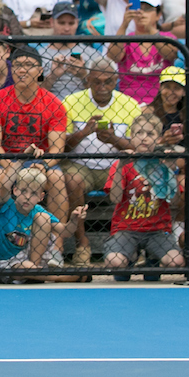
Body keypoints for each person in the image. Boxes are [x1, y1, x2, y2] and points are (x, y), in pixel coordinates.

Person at [62, 57, 142, 265]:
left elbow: (139, 147)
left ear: (116, 80)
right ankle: (82, 244)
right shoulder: (71, 101)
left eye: (108, 81)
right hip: (81, 164)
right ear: (87, 80)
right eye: (97, 81)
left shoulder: (130, 105)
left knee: (138, 179)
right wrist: (83, 133)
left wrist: (114, 139)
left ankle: (134, 243)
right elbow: (62, 146)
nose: (102, 87)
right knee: (71, 180)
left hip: (117, 166)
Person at [0, 47, 70, 231]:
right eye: (17, 65)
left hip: (38, 161)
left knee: (56, 177)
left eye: (29, 65)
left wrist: (43, 165)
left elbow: (57, 149)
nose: (22, 70)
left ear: (40, 71)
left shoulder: (54, 104)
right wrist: (11, 166)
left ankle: (56, 244)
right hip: (7, 159)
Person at [103, 113, 184, 273]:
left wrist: (169, 170)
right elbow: (115, 198)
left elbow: (175, 202)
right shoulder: (122, 164)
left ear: (159, 139)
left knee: (176, 262)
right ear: (131, 137)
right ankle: (131, 256)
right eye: (138, 133)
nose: (143, 138)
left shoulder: (162, 163)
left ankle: (152, 257)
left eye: (150, 134)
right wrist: (120, 168)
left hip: (157, 230)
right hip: (126, 229)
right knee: (115, 263)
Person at [106, 0, 177, 105]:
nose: (141, 13)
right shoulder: (126, 38)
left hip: (160, 102)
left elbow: (170, 54)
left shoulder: (167, 37)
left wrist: (150, 29)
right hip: (128, 102)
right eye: (138, 8)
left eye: (147, 9)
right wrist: (124, 24)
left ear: (158, 15)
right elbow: (113, 57)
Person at [35, 2, 103, 100]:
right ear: (51, 22)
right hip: (50, 106)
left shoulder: (91, 53)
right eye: (61, 23)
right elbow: (34, 93)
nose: (66, 28)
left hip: (84, 105)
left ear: (77, 23)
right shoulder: (39, 55)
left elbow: (102, 92)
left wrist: (83, 75)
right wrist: (52, 76)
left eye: (71, 23)